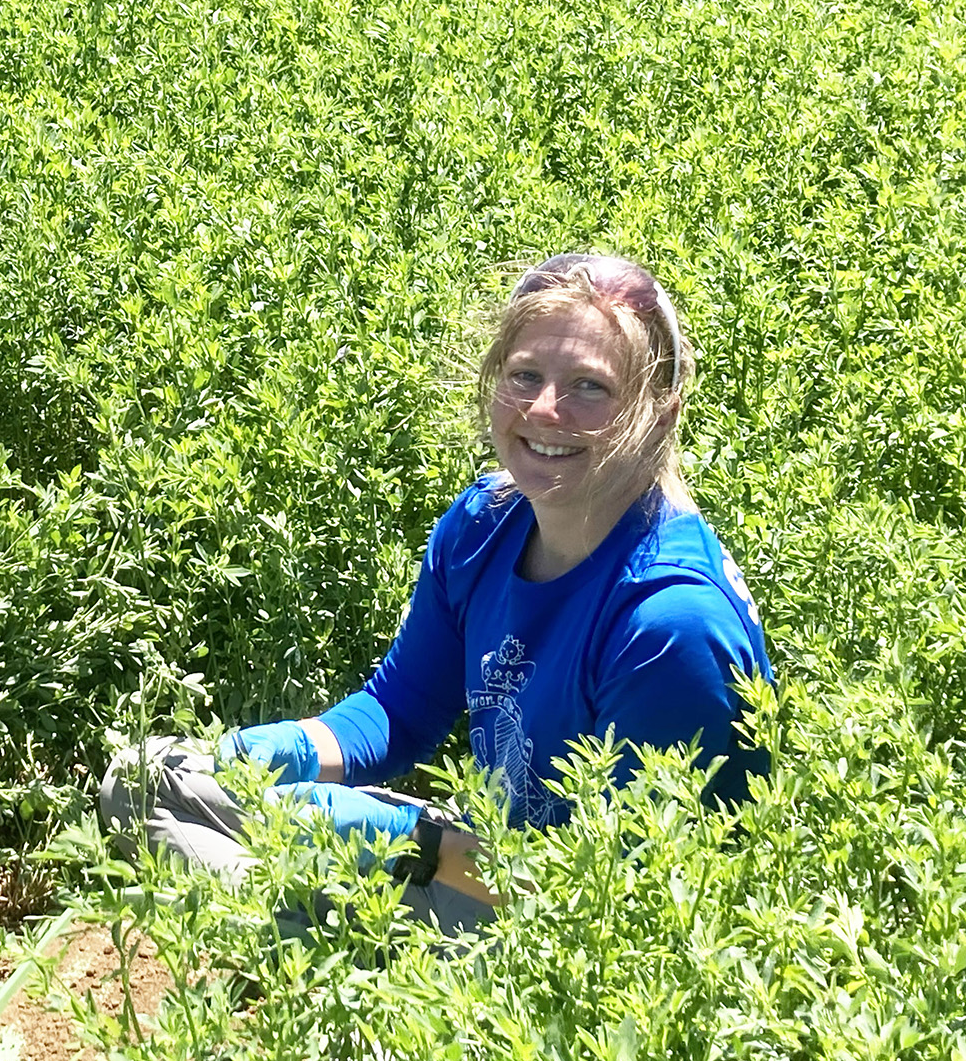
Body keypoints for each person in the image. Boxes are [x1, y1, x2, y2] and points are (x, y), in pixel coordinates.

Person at [100, 252, 773, 935]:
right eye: (525, 376)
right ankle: (309, 936)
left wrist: (417, 844)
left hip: (574, 946)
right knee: (145, 779)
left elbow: (621, 910)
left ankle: (327, 962)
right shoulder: (485, 524)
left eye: (589, 388)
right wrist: (298, 749)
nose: (545, 409)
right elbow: (404, 707)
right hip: (482, 865)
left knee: (292, 900)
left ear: (659, 415)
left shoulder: (668, 623)